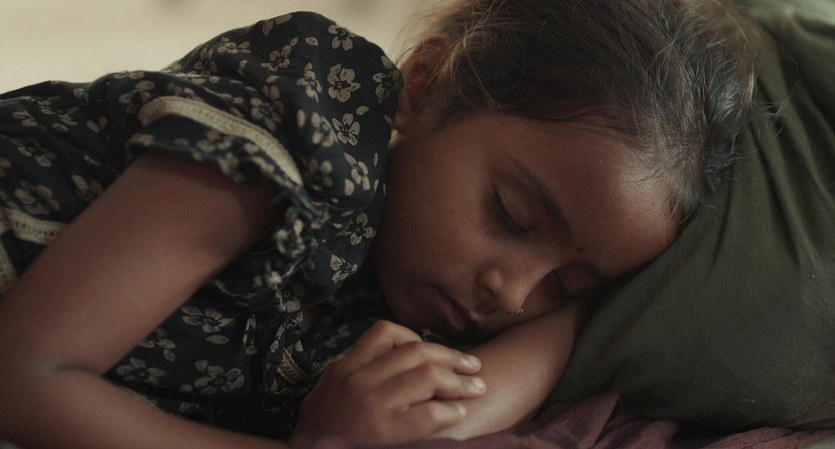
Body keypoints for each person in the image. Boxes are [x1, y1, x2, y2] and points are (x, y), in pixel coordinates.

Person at [0, 1, 755, 448]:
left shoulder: (396, 301)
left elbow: (452, 415)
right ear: (427, 81)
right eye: (512, 215)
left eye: (566, 281)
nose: (512, 293)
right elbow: (26, 378)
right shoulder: (310, 128)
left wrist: (583, 304)